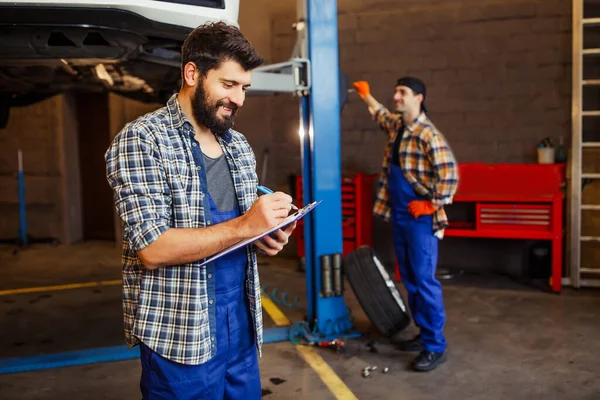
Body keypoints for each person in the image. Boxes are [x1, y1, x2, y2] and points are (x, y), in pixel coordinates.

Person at [104, 22, 297, 399]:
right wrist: (246, 225)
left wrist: (268, 234)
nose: (239, 99)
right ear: (192, 73)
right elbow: (153, 249)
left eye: (244, 88)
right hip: (181, 339)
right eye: (228, 85)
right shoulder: (142, 140)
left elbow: (241, 231)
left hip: (240, 332)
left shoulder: (238, 146)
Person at [352, 77, 459, 372]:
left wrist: (432, 203)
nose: (396, 97)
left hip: (420, 219)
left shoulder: (428, 134)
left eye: (403, 92)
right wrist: (367, 96)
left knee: (424, 282)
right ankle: (424, 336)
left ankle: (436, 347)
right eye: (396, 91)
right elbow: (381, 114)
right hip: (400, 214)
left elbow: (449, 175)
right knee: (410, 280)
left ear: (419, 98)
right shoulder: (399, 126)